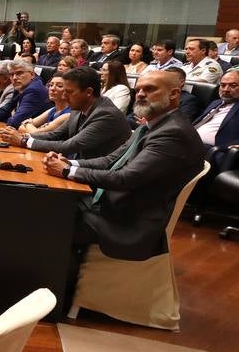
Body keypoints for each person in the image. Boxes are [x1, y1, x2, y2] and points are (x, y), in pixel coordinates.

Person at [43, 70, 205, 261]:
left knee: (51, 218)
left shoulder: (173, 134)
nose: (142, 94)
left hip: (128, 224)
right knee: (49, 204)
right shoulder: (151, 126)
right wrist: (69, 162)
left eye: (150, 89)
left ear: (174, 94)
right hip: (114, 207)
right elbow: (110, 160)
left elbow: (125, 178)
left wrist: (68, 171)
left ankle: (60, 283)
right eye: (138, 90)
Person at [7, 66, 131, 159]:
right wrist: (21, 137)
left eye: (69, 92)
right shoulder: (79, 108)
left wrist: (24, 141)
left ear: (88, 92)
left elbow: (68, 146)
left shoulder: (105, 114)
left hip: (97, 177)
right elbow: (55, 135)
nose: (64, 96)